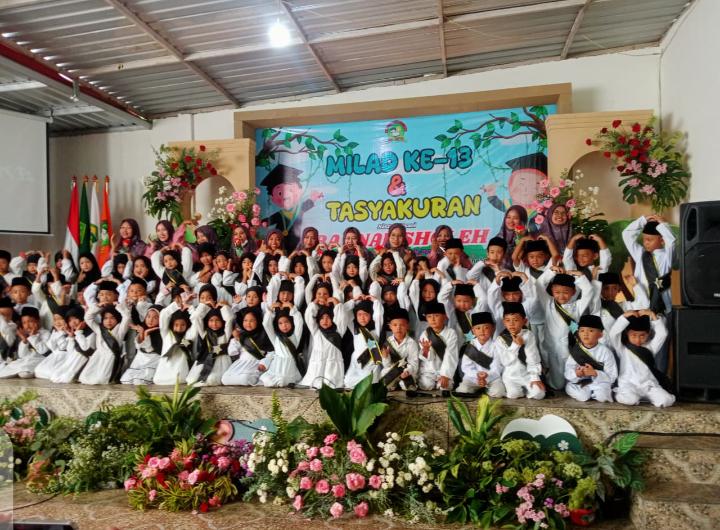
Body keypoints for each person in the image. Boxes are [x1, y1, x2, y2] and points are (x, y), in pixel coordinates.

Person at [622, 215, 675, 373]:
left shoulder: (667, 255)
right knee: (641, 343)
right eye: (644, 239)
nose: (645, 243)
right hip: (641, 307)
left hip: (662, 307)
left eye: (650, 240)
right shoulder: (640, 254)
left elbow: (672, 241)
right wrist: (643, 220)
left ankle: (659, 378)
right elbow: (627, 234)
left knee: (661, 345)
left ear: (661, 240)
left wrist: (662, 224)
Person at [536, 268, 594, 390]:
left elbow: (589, 291)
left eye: (566, 292)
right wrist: (550, 272)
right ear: (552, 291)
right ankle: (547, 376)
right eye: (557, 292)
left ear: (573, 292)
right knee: (558, 385)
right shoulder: (548, 303)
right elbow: (539, 285)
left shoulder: (577, 306)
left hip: (571, 349)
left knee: (573, 380)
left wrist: (580, 276)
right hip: (553, 349)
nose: (561, 295)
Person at [610, 310, 674, 408]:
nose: (638, 339)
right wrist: (624, 317)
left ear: (648, 334)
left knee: (666, 400)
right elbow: (613, 334)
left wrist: (652, 315)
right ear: (627, 333)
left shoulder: (650, 347)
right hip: (629, 385)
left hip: (648, 386)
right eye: (634, 335)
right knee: (630, 400)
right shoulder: (622, 348)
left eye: (642, 336)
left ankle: (647, 398)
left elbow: (663, 334)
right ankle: (628, 395)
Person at [492, 302, 545, 400]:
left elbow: (533, 357)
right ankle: (519, 390)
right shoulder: (500, 340)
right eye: (508, 320)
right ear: (504, 322)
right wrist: (516, 345)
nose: (511, 324)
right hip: (510, 376)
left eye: (515, 320)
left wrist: (535, 378)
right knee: (514, 395)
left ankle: (527, 390)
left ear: (524, 321)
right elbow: (505, 361)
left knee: (539, 394)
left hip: (527, 375)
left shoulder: (528, 335)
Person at [564, 314, 617, 403]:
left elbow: (612, 376)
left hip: (599, 383)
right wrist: (576, 373)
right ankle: (589, 393)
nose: (585, 334)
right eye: (582, 330)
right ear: (578, 333)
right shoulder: (576, 351)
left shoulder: (606, 352)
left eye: (591, 330)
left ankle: (593, 393)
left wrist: (595, 373)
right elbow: (568, 373)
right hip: (580, 382)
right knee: (582, 396)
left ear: (600, 334)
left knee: (602, 397)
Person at [78, 302, 131, 385]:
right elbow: (88, 317)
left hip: (110, 358)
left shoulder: (121, 330)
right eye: (105, 318)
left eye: (112, 318)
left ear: (117, 318)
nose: (108, 321)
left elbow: (127, 317)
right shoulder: (99, 329)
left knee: (101, 379)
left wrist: (118, 306)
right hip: (98, 356)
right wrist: (98, 306)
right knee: (84, 377)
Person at [301, 301, 349, 389]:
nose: (325, 321)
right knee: (315, 383)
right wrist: (315, 302)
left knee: (331, 384)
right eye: (322, 318)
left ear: (333, 319)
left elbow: (342, 318)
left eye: (328, 318)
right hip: (318, 363)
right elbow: (308, 316)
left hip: (333, 363)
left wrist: (336, 303)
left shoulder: (338, 331)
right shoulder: (316, 331)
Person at [222, 307, 274, 386]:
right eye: (245, 320)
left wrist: (264, 363)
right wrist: (236, 339)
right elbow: (232, 352)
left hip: (256, 363)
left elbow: (271, 352)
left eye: (252, 321)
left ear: (258, 321)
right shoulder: (242, 335)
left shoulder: (263, 335)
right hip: (241, 363)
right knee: (225, 379)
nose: (248, 323)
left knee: (245, 379)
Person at [456, 311, 504, 396]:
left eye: (486, 328)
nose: (482, 331)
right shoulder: (470, 346)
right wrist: (477, 375)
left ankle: (485, 390)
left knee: (499, 392)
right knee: (462, 390)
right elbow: (466, 366)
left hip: (492, 377)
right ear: (473, 331)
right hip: (473, 378)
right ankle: (480, 389)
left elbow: (497, 366)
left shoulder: (496, 345)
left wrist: (487, 376)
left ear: (493, 328)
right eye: (478, 328)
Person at [186, 304, 234, 386]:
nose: (214, 323)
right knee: (192, 380)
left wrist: (223, 306)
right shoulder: (204, 333)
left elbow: (229, 319)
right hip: (206, 359)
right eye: (211, 320)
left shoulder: (225, 334)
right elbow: (197, 317)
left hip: (220, 361)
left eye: (217, 320)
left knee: (212, 379)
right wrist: (205, 305)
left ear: (222, 321)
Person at [260, 304, 305, 387]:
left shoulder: (295, 336)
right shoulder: (275, 338)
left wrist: (291, 307)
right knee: (268, 381)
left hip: (289, 368)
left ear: (291, 322)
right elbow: (266, 324)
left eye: (286, 322)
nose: (284, 325)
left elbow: (299, 322)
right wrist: (270, 309)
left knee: (283, 381)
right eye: (280, 323)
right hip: (276, 367)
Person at [417, 301, 459, 391]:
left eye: (436, 316)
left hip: (444, 370)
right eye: (429, 316)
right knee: (426, 386)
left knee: (445, 388)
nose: (432, 319)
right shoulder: (425, 334)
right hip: (429, 370)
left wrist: (445, 375)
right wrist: (426, 351)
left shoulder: (451, 333)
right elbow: (428, 358)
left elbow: (451, 354)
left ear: (444, 317)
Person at [344, 297, 384, 389]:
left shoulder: (376, 330)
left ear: (371, 315)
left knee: (368, 383)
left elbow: (378, 315)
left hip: (371, 363)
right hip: (356, 362)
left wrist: (375, 301)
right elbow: (344, 311)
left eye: (365, 314)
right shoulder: (355, 329)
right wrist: (353, 300)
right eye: (359, 314)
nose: (362, 318)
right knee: (348, 382)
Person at [0, 307, 49, 379]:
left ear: (38, 321)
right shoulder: (25, 334)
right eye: (24, 323)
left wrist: (33, 336)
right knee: (6, 369)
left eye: (30, 321)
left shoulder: (45, 333)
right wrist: (24, 340)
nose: (27, 325)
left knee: (24, 372)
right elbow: (22, 355)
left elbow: (43, 351)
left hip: (39, 359)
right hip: (26, 360)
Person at [379, 307, 419, 391]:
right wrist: (385, 357)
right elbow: (386, 365)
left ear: (407, 326)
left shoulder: (412, 343)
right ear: (390, 326)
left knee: (407, 387)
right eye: (395, 325)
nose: (398, 328)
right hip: (393, 371)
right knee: (384, 376)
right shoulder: (387, 342)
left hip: (406, 372)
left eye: (402, 325)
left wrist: (407, 371)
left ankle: (399, 383)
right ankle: (394, 384)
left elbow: (414, 363)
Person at [121, 306, 162, 385]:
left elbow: (149, 349)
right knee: (126, 380)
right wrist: (142, 333)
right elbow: (138, 346)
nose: (151, 320)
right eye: (148, 316)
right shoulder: (143, 329)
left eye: (155, 318)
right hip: (140, 360)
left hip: (153, 360)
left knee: (140, 381)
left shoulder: (161, 332)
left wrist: (145, 334)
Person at [496, 205, 528, 269]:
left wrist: (520, 238)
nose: (511, 221)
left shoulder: (528, 239)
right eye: (508, 217)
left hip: (522, 272)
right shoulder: (498, 238)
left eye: (515, 218)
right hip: (499, 271)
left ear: (522, 221)